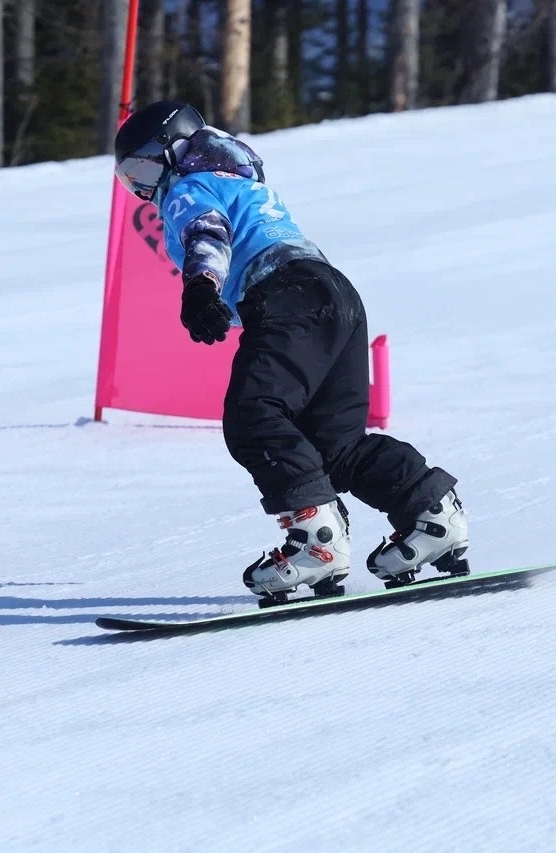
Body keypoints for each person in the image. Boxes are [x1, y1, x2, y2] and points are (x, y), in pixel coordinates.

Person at [113, 101, 469, 604]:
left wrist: (201, 286)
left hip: (285, 296)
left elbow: (207, 233)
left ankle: (316, 544)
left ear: (174, 151)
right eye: (131, 180)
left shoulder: (189, 186)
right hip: (336, 295)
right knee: (334, 445)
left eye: (145, 168)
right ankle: (432, 515)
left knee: (254, 415)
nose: (143, 189)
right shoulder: (244, 182)